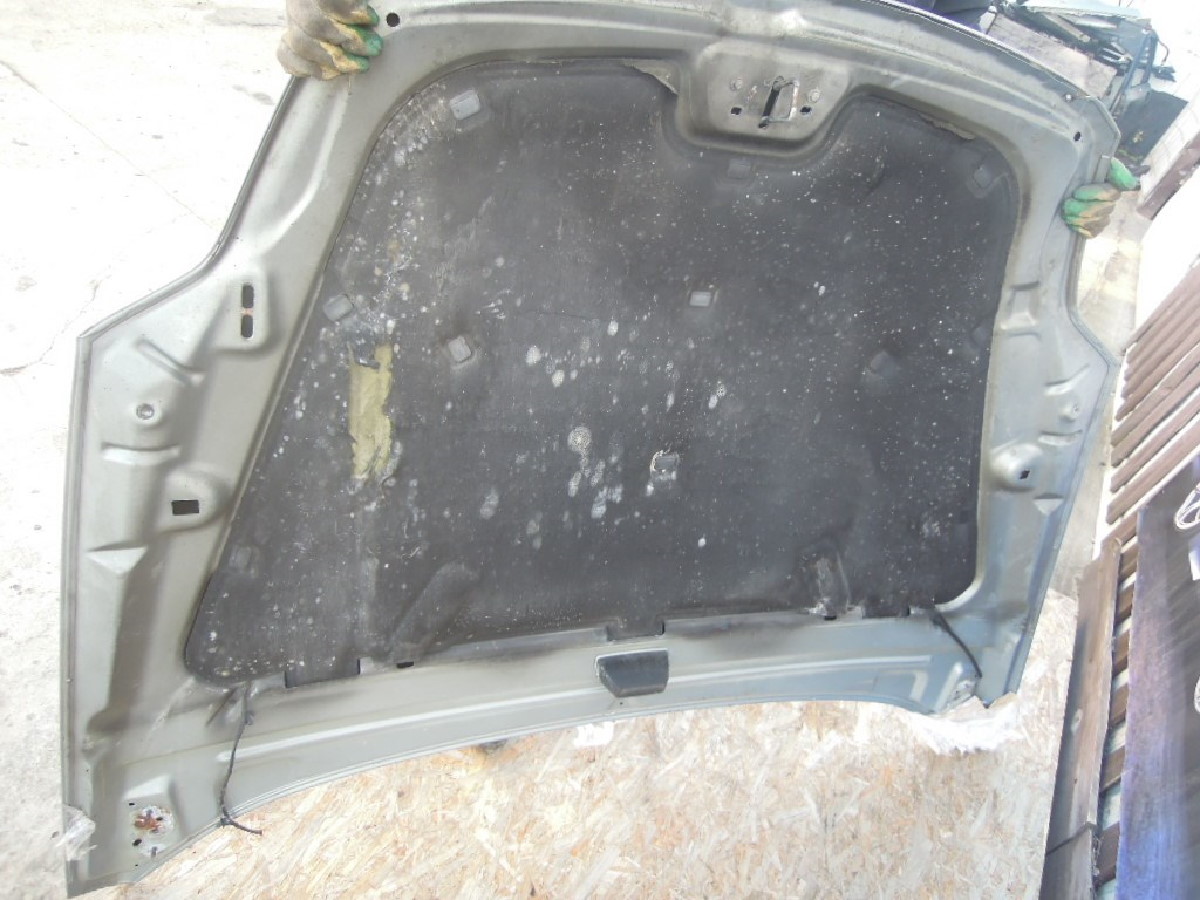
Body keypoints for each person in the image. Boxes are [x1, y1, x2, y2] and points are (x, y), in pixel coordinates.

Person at [277, 0, 1137, 236]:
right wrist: (331, 21)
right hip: (545, 201)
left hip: (783, 240)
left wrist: (1045, 196)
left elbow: (940, 93)